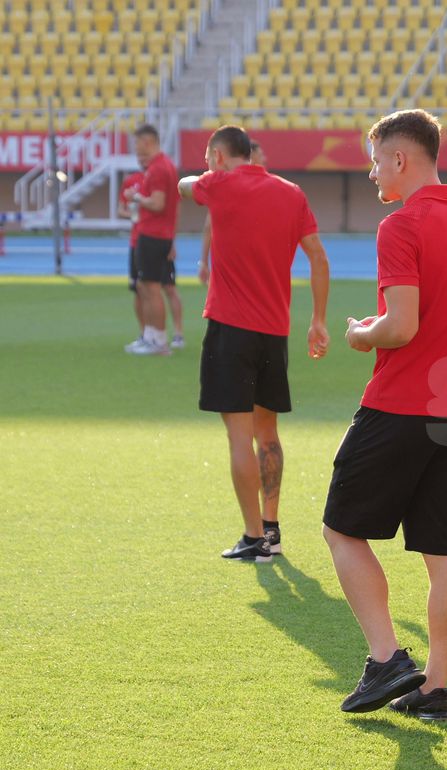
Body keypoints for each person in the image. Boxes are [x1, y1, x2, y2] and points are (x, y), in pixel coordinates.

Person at [322, 109, 447, 717]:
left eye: (375, 161)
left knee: (341, 529)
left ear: (400, 158)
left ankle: (386, 659)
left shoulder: (400, 226)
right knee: (441, 552)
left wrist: (360, 334)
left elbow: (401, 325)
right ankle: (434, 689)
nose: (372, 174)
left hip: (399, 405)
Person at [178, 126, 331, 563]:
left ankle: (253, 537)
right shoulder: (291, 193)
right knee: (268, 434)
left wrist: (200, 175)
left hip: (230, 329)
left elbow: (184, 185)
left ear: (219, 157)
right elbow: (318, 256)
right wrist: (317, 320)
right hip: (275, 332)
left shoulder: (218, 182)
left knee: (238, 438)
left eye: (210, 158)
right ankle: (272, 528)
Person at [127, 124, 185, 355]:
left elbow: (158, 203)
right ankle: (150, 336)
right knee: (143, 285)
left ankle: (159, 341)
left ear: (148, 142)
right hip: (154, 234)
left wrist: (138, 197)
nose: (136, 148)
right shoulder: (160, 166)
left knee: (152, 287)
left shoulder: (159, 169)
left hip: (154, 234)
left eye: (138, 143)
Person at [199, 140, 265, 286]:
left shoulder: (226, 185)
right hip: (237, 261)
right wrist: (204, 261)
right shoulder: (228, 187)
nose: (264, 159)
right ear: (250, 157)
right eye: (260, 155)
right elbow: (209, 226)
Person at [117, 170, 145, 349]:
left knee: (159, 289)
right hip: (136, 241)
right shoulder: (131, 180)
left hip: (156, 240)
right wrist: (135, 215)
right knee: (138, 288)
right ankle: (145, 333)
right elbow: (121, 209)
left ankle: (171, 334)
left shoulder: (160, 177)